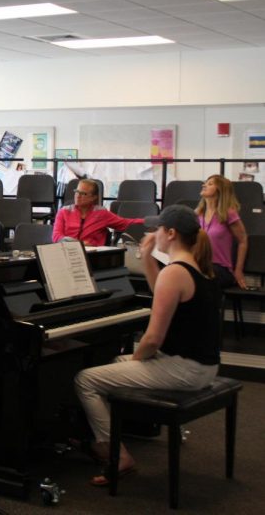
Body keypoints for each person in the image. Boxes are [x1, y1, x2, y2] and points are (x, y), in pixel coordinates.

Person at [74, 205, 220, 485]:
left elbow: (153, 339)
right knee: (116, 363)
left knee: (85, 380)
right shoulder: (197, 268)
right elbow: (160, 292)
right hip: (203, 367)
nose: (153, 234)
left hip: (185, 370)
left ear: (171, 233)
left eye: (157, 229)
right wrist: (147, 257)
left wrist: (136, 359)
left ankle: (116, 453)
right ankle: (111, 431)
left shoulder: (175, 273)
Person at [52, 179, 143, 246]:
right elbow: (56, 236)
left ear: (93, 197)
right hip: (68, 251)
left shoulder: (101, 213)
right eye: (77, 192)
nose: (78, 196)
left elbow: (125, 223)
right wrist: (77, 244)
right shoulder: (63, 211)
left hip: (93, 255)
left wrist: (149, 221)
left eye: (83, 193)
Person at [197, 174, 248, 289]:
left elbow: (243, 241)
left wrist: (238, 270)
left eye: (210, 184)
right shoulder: (198, 214)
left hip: (221, 269)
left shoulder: (228, 213)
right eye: (205, 183)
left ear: (220, 190)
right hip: (200, 265)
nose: (204, 185)